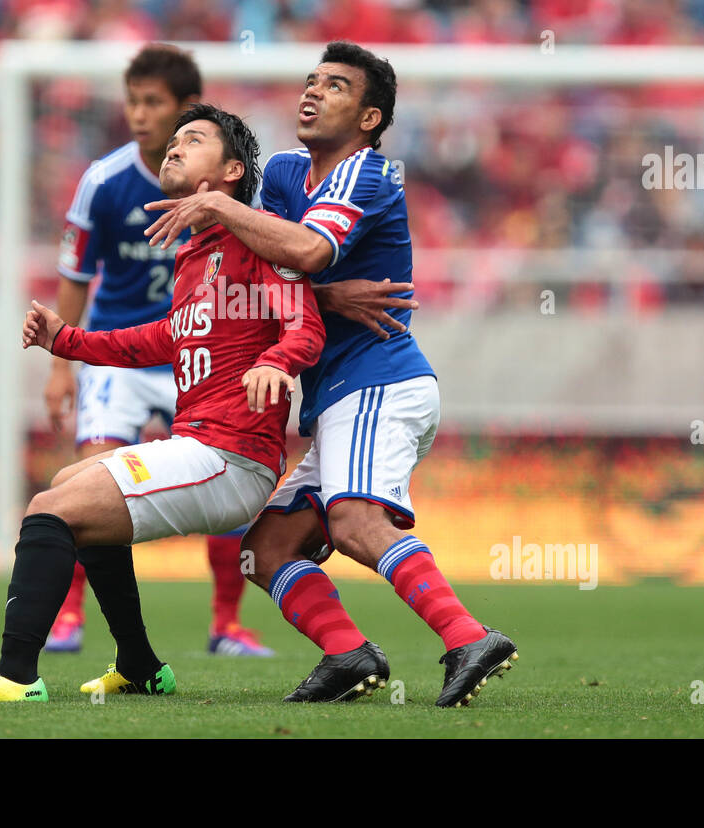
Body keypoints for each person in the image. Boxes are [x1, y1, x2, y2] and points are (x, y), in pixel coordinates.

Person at [144, 41, 518, 707]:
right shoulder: (286, 174)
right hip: (338, 395)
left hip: (379, 379)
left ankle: (468, 636)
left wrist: (223, 209)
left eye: (337, 86)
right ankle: (348, 655)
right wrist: (321, 295)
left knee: (351, 522)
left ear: (370, 118)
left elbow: (311, 249)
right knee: (265, 548)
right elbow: (264, 266)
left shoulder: (366, 173)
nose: (312, 92)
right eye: (311, 80)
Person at [0, 106, 323, 702]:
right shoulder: (195, 256)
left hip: (233, 457)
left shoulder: (259, 240)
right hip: (202, 447)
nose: (172, 148)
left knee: (49, 509)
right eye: (173, 141)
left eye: (192, 140)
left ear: (233, 170)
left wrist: (276, 362)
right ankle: (140, 666)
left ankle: (15, 677)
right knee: (69, 485)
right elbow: (159, 339)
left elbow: (305, 327)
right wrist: (66, 340)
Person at [47, 43, 273, 659]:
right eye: (133, 102)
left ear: (184, 113)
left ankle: (225, 624)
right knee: (89, 478)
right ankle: (67, 614)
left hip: (199, 358)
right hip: (120, 355)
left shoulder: (226, 199)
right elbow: (76, 276)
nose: (140, 115)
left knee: (223, 480)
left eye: (155, 104)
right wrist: (61, 367)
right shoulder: (106, 180)